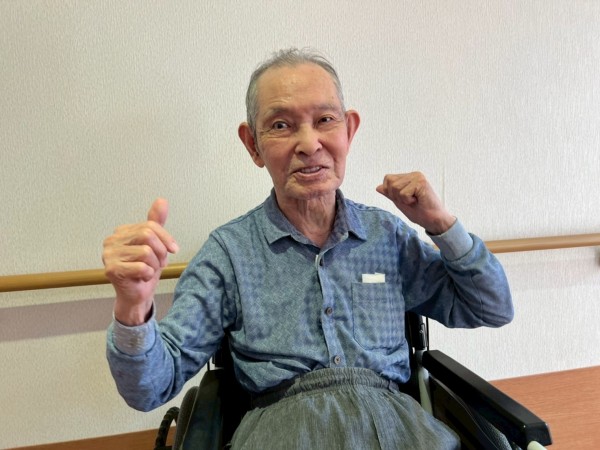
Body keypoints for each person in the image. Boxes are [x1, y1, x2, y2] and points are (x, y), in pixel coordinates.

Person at [104, 48, 513, 449]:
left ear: (349, 130)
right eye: (281, 125)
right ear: (252, 144)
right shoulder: (229, 254)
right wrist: (132, 308)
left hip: (401, 432)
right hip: (281, 431)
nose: (309, 143)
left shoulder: (386, 235)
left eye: (325, 120)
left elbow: (491, 308)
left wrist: (442, 226)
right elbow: (150, 387)